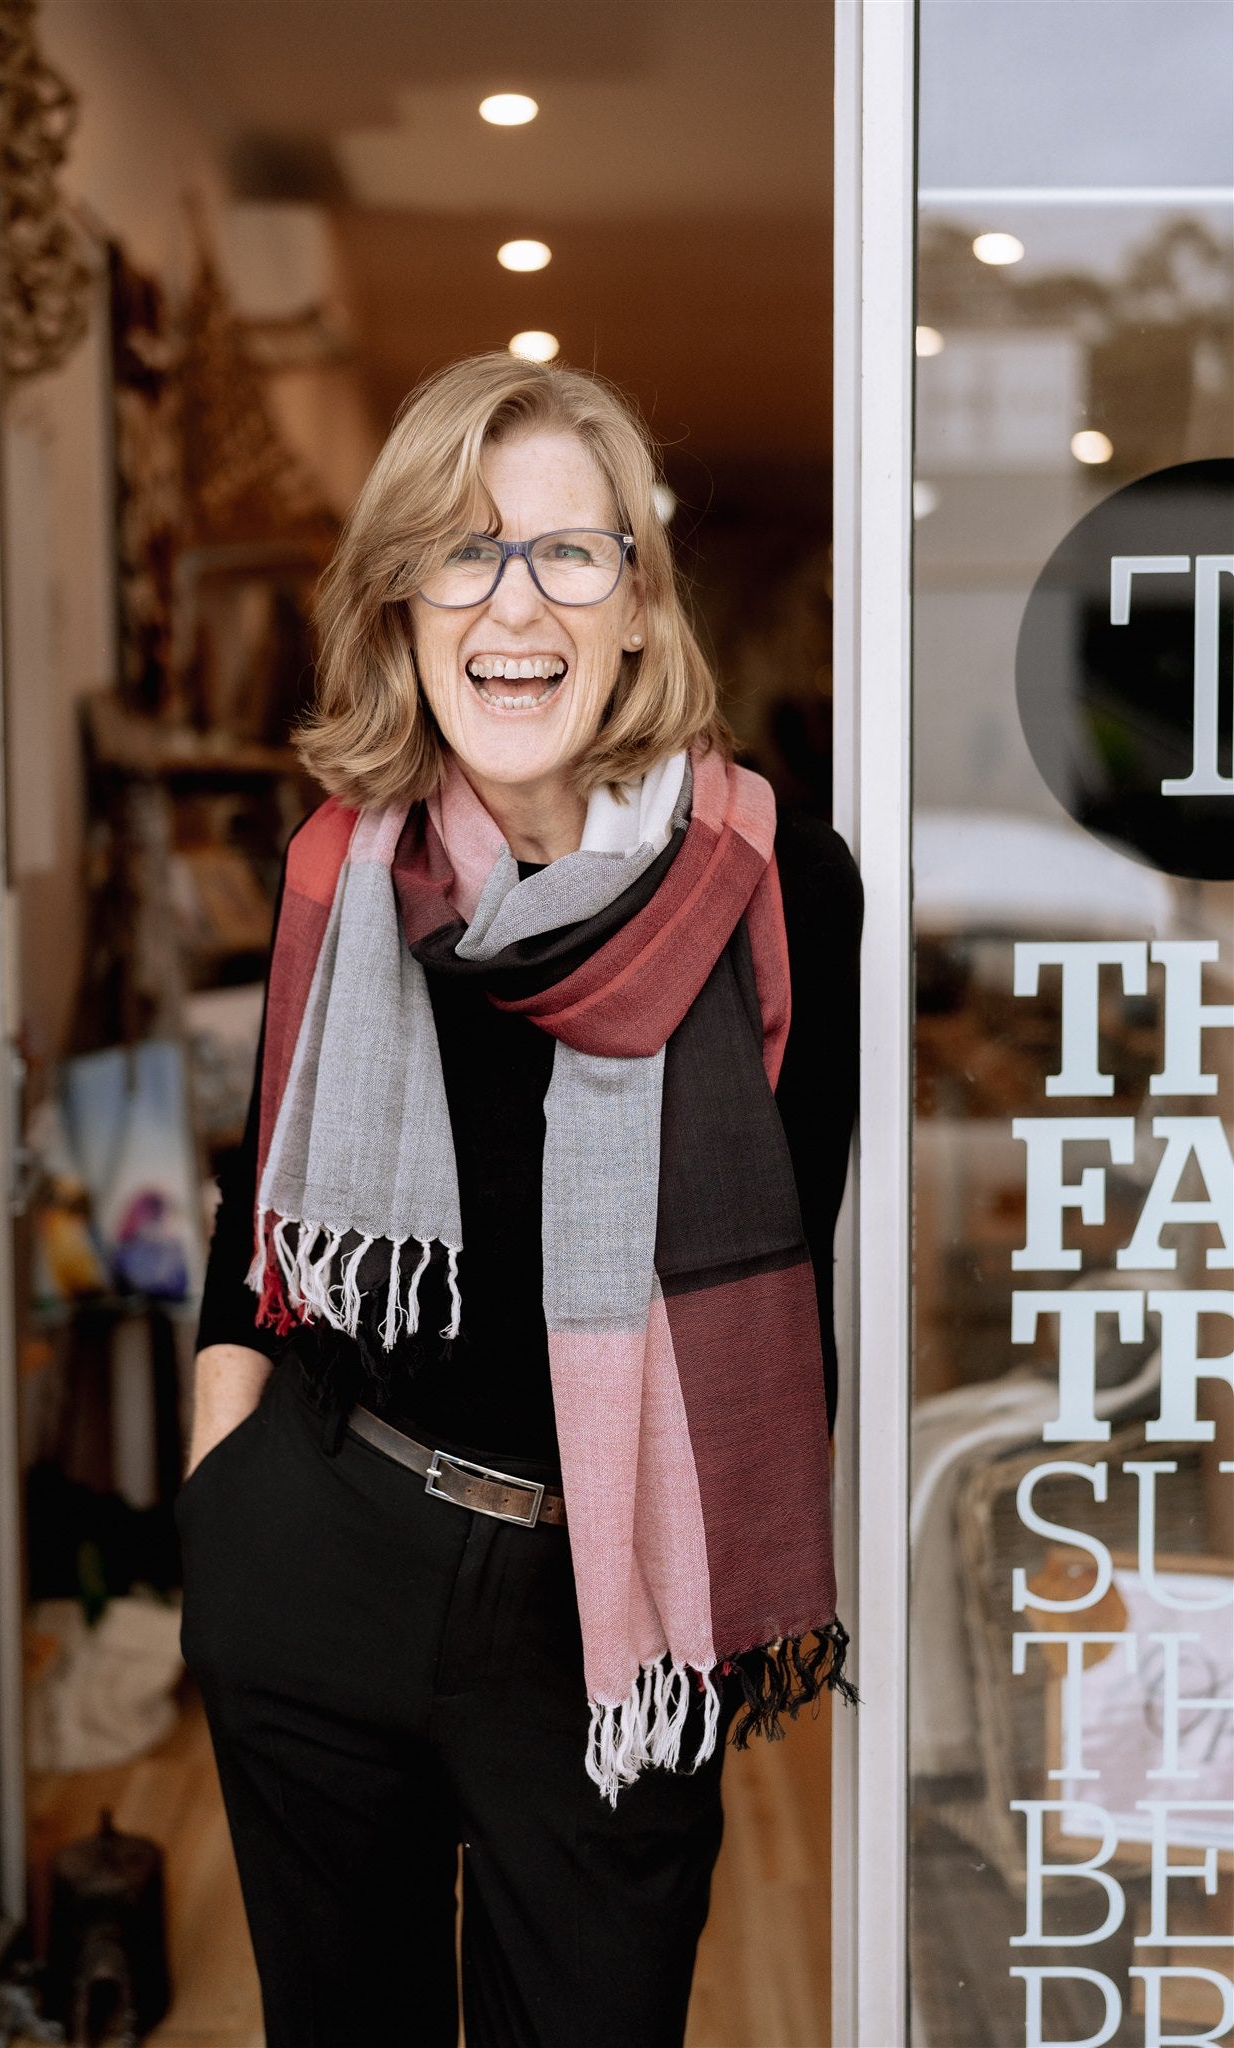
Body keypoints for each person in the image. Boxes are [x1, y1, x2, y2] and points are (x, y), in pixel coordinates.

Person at [178, 351, 862, 2048]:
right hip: (326, 1545)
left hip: (605, 1612)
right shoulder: (343, 869)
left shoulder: (776, 882)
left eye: (572, 551)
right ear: (403, 605)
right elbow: (253, 1222)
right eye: (463, 552)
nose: (516, 601)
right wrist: (226, 1488)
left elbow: (795, 1267)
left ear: (638, 607)